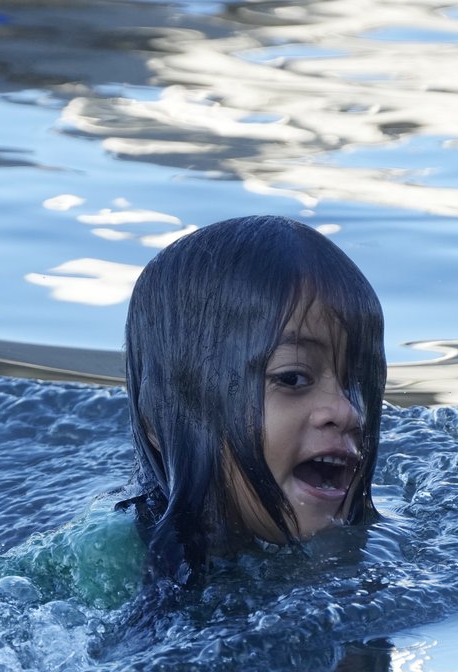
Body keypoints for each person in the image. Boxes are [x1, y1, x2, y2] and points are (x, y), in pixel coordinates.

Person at [121, 215, 386, 586]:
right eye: (292, 378)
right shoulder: (111, 564)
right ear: (162, 417)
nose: (348, 412)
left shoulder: (389, 549)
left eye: (355, 383)